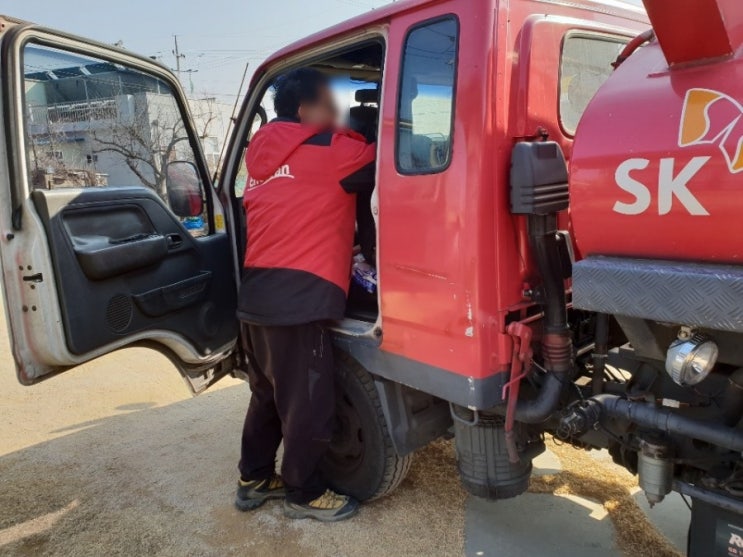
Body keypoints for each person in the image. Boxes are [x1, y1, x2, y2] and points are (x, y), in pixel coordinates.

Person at [234, 68, 376, 522]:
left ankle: (254, 478)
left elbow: (299, 207)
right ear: (305, 109)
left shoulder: (259, 156)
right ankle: (304, 492)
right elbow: (392, 158)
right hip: (300, 299)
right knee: (310, 403)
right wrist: (368, 124)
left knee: (268, 395)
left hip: (255, 296)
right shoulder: (331, 149)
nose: (337, 119)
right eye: (330, 109)